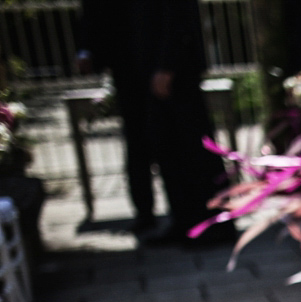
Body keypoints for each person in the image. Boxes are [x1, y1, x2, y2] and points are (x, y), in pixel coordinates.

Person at [78, 0, 234, 245]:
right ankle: (184, 222)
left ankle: (213, 223)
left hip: (173, 67)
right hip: (146, 63)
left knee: (192, 145)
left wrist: (168, 65)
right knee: (166, 147)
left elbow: (178, 13)